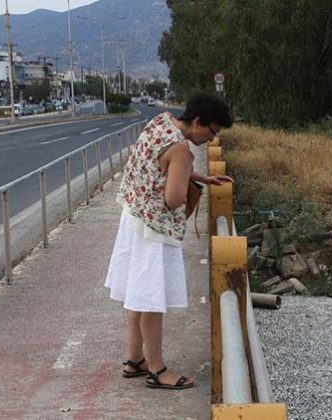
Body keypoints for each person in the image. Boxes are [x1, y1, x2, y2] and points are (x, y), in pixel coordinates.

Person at [104, 93, 233, 390]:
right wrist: (188, 182)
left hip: (133, 219)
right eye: (212, 131)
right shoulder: (182, 150)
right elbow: (173, 198)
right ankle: (158, 370)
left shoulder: (160, 122)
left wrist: (200, 176)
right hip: (154, 230)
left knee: (136, 295)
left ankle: (135, 359)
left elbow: (159, 163)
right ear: (198, 121)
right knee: (151, 300)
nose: (210, 139)